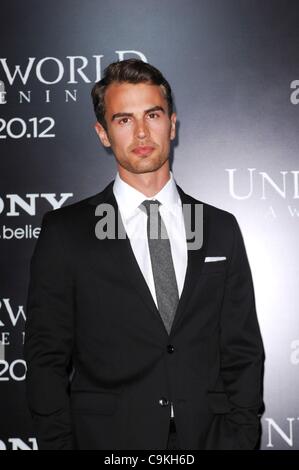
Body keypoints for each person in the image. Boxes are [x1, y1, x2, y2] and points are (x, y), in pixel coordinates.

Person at [24, 59, 264, 450]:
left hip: (209, 438)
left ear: (171, 123)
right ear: (103, 133)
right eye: (123, 119)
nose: (141, 132)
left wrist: (240, 437)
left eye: (152, 114)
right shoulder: (65, 233)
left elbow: (242, 349)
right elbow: (45, 358)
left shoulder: (220, 227)